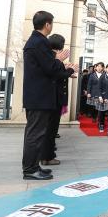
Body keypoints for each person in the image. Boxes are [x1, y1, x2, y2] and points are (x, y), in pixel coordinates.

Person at [21, 11, 74, 180]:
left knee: (37, 133)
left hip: (38, 96)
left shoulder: (36, 41)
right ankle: (30, 169)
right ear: (47, 25)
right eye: (52, 23)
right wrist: (58, 60)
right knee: (35, 134)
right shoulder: (40, 42)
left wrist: (57, 62)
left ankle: (34, 166)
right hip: (39, 97)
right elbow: (50, 69)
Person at [43, 34, 73, 166]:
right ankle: (47, 156)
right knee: (50, 130)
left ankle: (47, 154)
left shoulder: (52, 57)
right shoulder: (52, 57)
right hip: (52, 99)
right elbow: (57, 74)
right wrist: (70, 70)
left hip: (54, 98)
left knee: (51, 130)